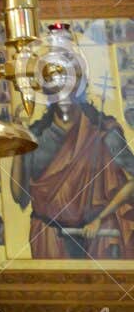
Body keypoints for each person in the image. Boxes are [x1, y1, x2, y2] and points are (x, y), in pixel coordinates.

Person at [12, 88, 134, 259]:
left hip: (98, 237)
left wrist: (100, 218)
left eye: (70, 87)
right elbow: (20, 196)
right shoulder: (35, 137)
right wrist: (18, 143)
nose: (64, 95)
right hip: (49, 238)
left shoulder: (104, 132)